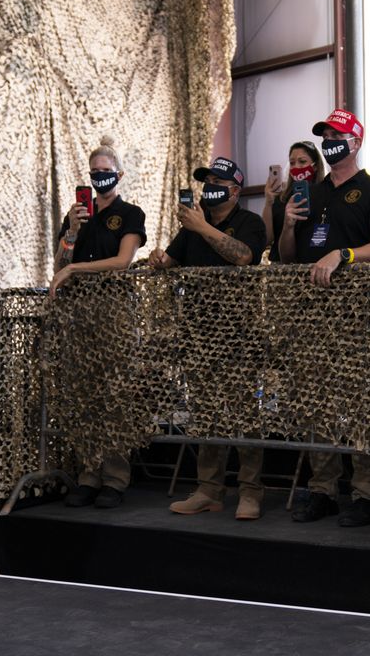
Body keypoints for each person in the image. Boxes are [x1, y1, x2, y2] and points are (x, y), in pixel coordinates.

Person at [280, 109, 370, 527]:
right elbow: (288, 257)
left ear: (356, 141)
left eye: (338, 135)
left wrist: (343, 254)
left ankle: (368, 494)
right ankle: (322, 491)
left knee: (363, 401)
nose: (330, 141)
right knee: (316, 402)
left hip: (358, 314)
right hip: (311, 314)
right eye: (324, 135)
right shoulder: (308, 192)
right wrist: (289, 225)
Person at [152, 158, 268, 520]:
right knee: (205, 413)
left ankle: (250, 492)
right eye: (206, 181)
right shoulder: (191, 227)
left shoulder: (249, 222)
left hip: (239, 334)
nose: (209, 186)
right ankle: (209, 489)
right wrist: (158, 258)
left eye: (217, 181)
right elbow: (168, 262)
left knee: (246, 414)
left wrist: (203, 227)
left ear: (234, 189)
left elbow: (245, 257)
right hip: (198, 333)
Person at [49, 138, 147, 509]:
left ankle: (115, 477)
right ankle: (89, 473)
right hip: (78, 312)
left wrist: (76, 268)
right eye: (95, 172)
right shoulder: (77, 213)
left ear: (118, 175)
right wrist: (72, 231)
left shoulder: (130, 214)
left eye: (106, 172)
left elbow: (123, 261)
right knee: (83, 393)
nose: (100, 177)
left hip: (113, 310)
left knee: (114, 393)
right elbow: (59, 264)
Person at [263, 141, 326, 262]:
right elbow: (267, 239)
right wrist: (268, 202)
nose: (296, 166)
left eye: (302, 161)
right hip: (280, 265)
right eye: (292, 163)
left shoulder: (324, 194)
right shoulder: (282, 196)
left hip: (313, 262)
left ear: (315, 165)